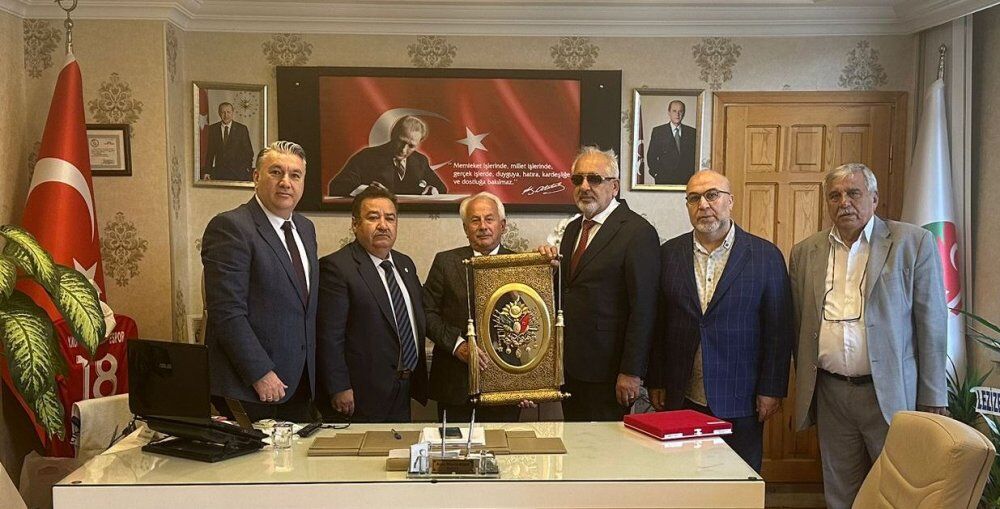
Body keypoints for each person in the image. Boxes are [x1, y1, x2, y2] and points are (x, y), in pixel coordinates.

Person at [789, 163, 948, 509]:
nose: (844, 202)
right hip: (831, 393)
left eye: (853, 193)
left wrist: (933, 393)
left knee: (898, 490)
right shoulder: (805, 252)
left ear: (874, 199)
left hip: (890, 393)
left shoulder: (912, 243)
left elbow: (932, 322)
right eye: (835, 196)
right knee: (839, 490)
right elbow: (799, 323)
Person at [647, 169, 793, 473]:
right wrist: (657, 380)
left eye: (712, 195)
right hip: (682, 394)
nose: (703, 205)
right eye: (694, 198)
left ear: (730, 201)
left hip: (741, 397)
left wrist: (772, 389)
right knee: (682, 478)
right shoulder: (668, 254)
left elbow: (778, 330)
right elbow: (659, 324)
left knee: (737, 481)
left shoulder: (765, 256)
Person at [538, 146, 660, 421]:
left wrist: (631, 372)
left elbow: (644, 309)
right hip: (571, 367)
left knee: (605, 446)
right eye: (577, 179)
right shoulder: (572, 229)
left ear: (614, 186)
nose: (584, 187)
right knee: (575, 442)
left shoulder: (637, 232)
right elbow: (571, 290)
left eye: (594, 179)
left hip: (610, 373)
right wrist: (548, 271)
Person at [201, 141, 317, 422]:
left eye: (295, 175)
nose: (286, 182)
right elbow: (226, 312)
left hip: (299, 382)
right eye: (276, 172)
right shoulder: (231, 227)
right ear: (256, 177)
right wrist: (260, 373)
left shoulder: (305, 228)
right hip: (250, 386)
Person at [317, 186, 428, 422]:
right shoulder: (337, 267)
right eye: (373, 217)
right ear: (355, 224)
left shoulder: (405, 264)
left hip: (404, 388)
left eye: (390, 218)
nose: (383, 225)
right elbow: (329, 336)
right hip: (360, 394)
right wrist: (339, 387)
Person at [423, 192, 535, 422]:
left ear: (502, 225)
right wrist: (458, 346)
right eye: (475, 220)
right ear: (466, 228)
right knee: (455, 445)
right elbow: (426, 313)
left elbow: (534, 324)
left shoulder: (522, 266)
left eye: (489, 219)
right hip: (455, 385)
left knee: (502, 445)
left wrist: (529, 382)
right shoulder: (445, 263)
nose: (483, 226)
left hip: (506, 386)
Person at [327, 116, 449, 197]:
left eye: (411, 146)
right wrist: (366, 191)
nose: (403, 150)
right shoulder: (367, 157)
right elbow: (337, 186)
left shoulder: (420, 161)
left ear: (418, 144)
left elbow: (442, 189)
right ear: (393, 135)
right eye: (401, 141)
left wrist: (433, 189)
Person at [647, 100, 697, 185]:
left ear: (684, 113)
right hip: (664, 180)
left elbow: (695, 156)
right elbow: (651, 156)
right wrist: (656, 174)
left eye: (680, 111)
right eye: (674, 111)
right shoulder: (658, 131)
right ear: (669, 112)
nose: (677, 114)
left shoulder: (692, 132)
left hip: (686, 181)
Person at [202, 102, 255, 181]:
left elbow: (249, 152)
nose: (226, 115)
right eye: (223, 112)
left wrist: (247, 169)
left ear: (232, 113)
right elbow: (210, 153)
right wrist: (207, 172)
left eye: (228, 112)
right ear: (219, 113)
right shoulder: (213, 129)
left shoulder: (241, 129)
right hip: (219, 174)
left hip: (238, 174)